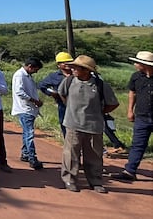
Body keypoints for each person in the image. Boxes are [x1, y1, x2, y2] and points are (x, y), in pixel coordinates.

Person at [59, 55, 118, 193]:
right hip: (73, 124)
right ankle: (69, 180)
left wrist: (99, 112)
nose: (72, 69)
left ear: (86, 70)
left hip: (94, 126)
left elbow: (113, 103)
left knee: (94, 155)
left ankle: (95, 181)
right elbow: (61, 94)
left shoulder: (100, 85)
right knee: (71, 154)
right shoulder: (69, 81)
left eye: (76, 68)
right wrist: (70, 107)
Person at [113, 51, 153, 182]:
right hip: (142, 116)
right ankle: (130, 171)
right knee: (137, 145)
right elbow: (132, 93)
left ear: (144, 64)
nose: (135, 64)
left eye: (137, 62)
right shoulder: (136, 77)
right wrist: (130, 110)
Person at [11, 57, 44, 169]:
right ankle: (32, 157)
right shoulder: (20, 75)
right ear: (30, 66)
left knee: (26, 132)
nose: (36, 72)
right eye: (35, 69)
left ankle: (26, 153)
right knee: (29, 133)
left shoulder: (27, 76)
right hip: (24, 108)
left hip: (29, 108)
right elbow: (19, 92)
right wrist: (34, 100)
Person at [38, 52, 74, 137]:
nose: (67, 64)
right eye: (64, 62)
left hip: (79, 105)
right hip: (63, 105)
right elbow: (41, 85)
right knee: (64, 124)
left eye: (69, 62)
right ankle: (68, 145)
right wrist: (52, 93)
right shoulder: (54, 76)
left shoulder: (78, 73)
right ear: (58, 65)